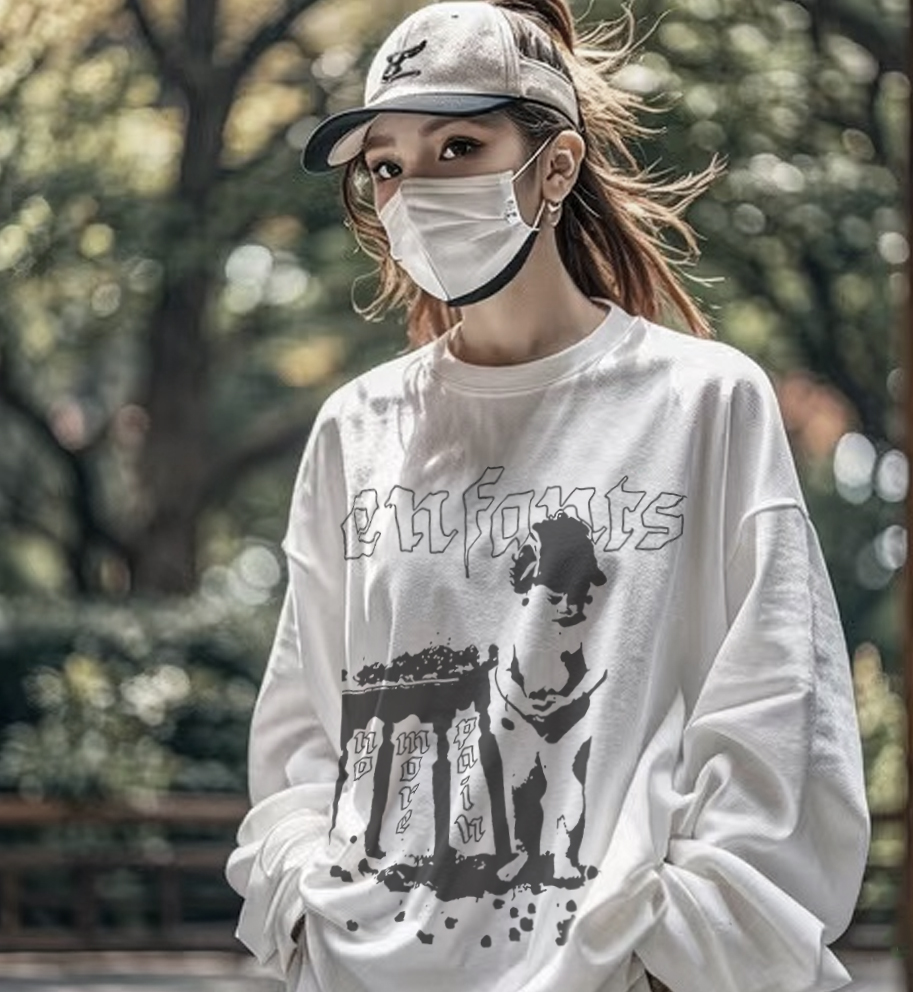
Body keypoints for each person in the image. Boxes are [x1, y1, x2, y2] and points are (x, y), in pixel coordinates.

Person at [224, 2, 871, 991]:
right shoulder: (357, 427)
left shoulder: (701, 403)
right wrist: (306, 906)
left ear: (556, 166)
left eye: (458, 147)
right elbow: (305, 732)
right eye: (386, 165)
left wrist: (674, 953)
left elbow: (780, 712)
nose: (414, 189)